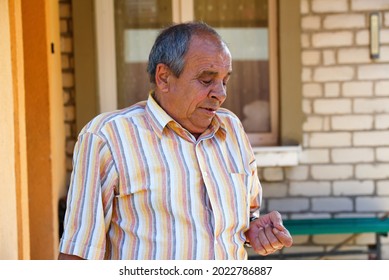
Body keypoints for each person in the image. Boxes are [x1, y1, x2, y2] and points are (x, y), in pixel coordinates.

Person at [58, 21, 292, 260]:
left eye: (224, 81)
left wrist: (254, 228)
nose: (220, 93)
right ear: (164, 77)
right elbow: (78, 254)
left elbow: (248, 212)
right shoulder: (107, 137)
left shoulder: (232, 129)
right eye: (206, 79)